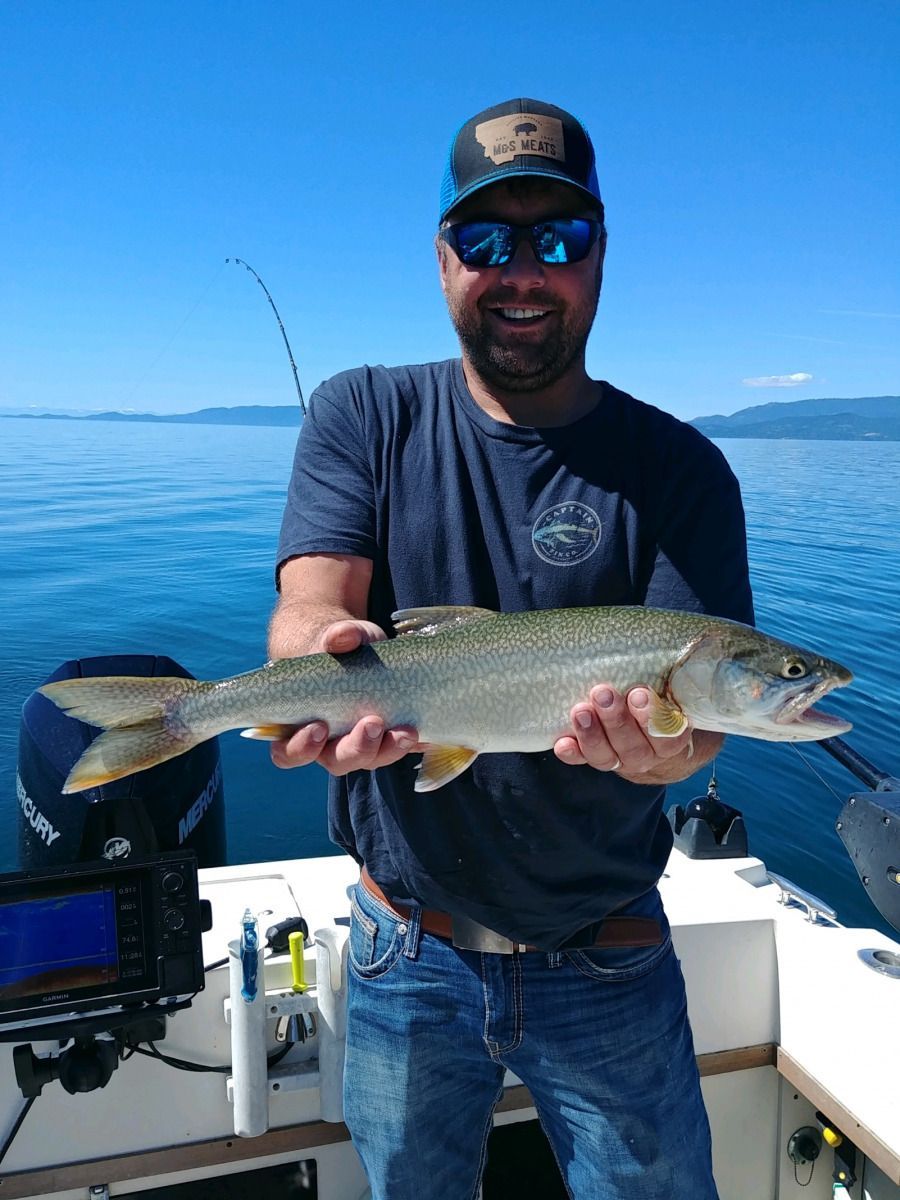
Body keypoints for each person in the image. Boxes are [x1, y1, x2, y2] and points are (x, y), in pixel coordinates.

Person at [269, 98, 754, 1200]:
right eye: (487, 241)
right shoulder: (362, 414)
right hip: (403, 952)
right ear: (444, 259)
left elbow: (699, 734)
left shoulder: (680, 471)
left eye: (559, 239)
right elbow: (311, 603)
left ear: (599, 257)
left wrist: (667, 755)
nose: (522, 271)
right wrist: (316, 652)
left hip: (609, 958)